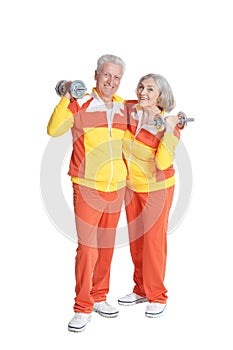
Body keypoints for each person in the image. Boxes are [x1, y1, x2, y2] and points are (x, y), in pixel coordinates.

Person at [47, 54, 127, 332]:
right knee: (88, 249)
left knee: (105, 247)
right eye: (107, 75)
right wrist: (66, 97)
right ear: (96, 75)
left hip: (117, 188)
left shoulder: (124, 108)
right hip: (87, 187)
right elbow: (54, 129)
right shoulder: (79, 103)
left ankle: (99, 296)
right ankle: (82, 306)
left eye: (117, 77)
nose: (111, 81)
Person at [118, 73, 180, 317]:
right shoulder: (131, 110)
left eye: (150, 89)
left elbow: (163, 162)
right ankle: (141, 289)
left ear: (161, 96)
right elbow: (110, 103)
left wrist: (170, 131)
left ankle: (157, 295)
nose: (142, 92)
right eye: (141, 87)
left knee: (153, 242)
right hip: (131, 188)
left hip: (157, 189)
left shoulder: (167, 125)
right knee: (136, 240)